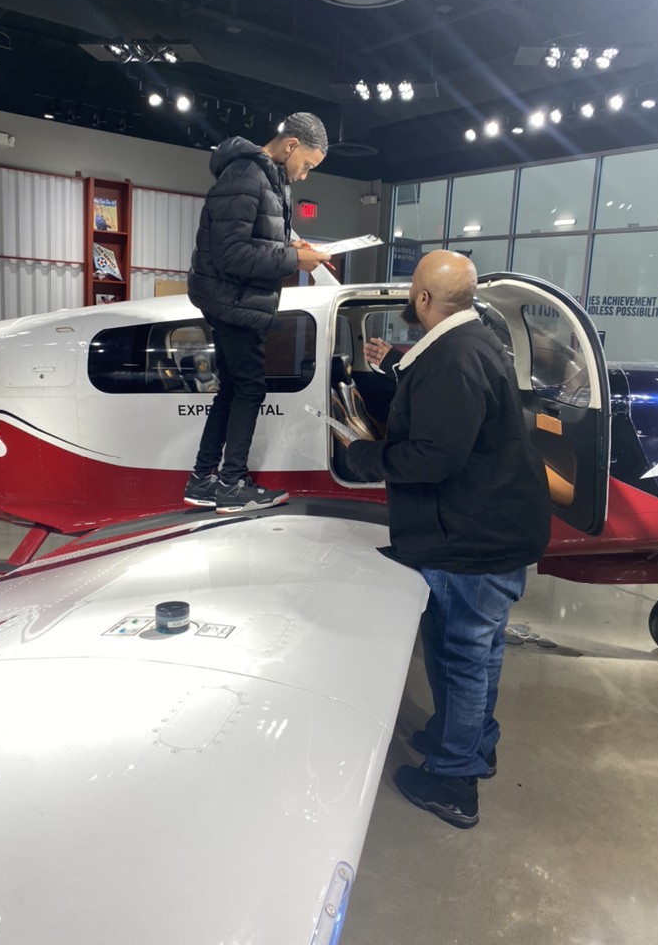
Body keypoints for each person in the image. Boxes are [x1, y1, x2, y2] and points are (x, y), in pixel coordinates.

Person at [343, 250, 552, 829]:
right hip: (498, 528)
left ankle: (454, 780)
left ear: (424, 300)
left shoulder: (450, 360)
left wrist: (363, 455)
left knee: (460, 656)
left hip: (471, 539)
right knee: (482, 651)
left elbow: (435, 456)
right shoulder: (477, 340)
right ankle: (474, 742)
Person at [184, 113, 329, 513]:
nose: (304, 176)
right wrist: (293, 260)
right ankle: (230, 484)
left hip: (236, 300)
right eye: (307, 165)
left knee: (233, 388)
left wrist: (297, 249)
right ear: (292, 145)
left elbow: (256, 238)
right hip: (233, 302)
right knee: (249, 388)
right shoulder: (248, 174)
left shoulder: (264, 177)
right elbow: (232, 253)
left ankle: (203, 479)